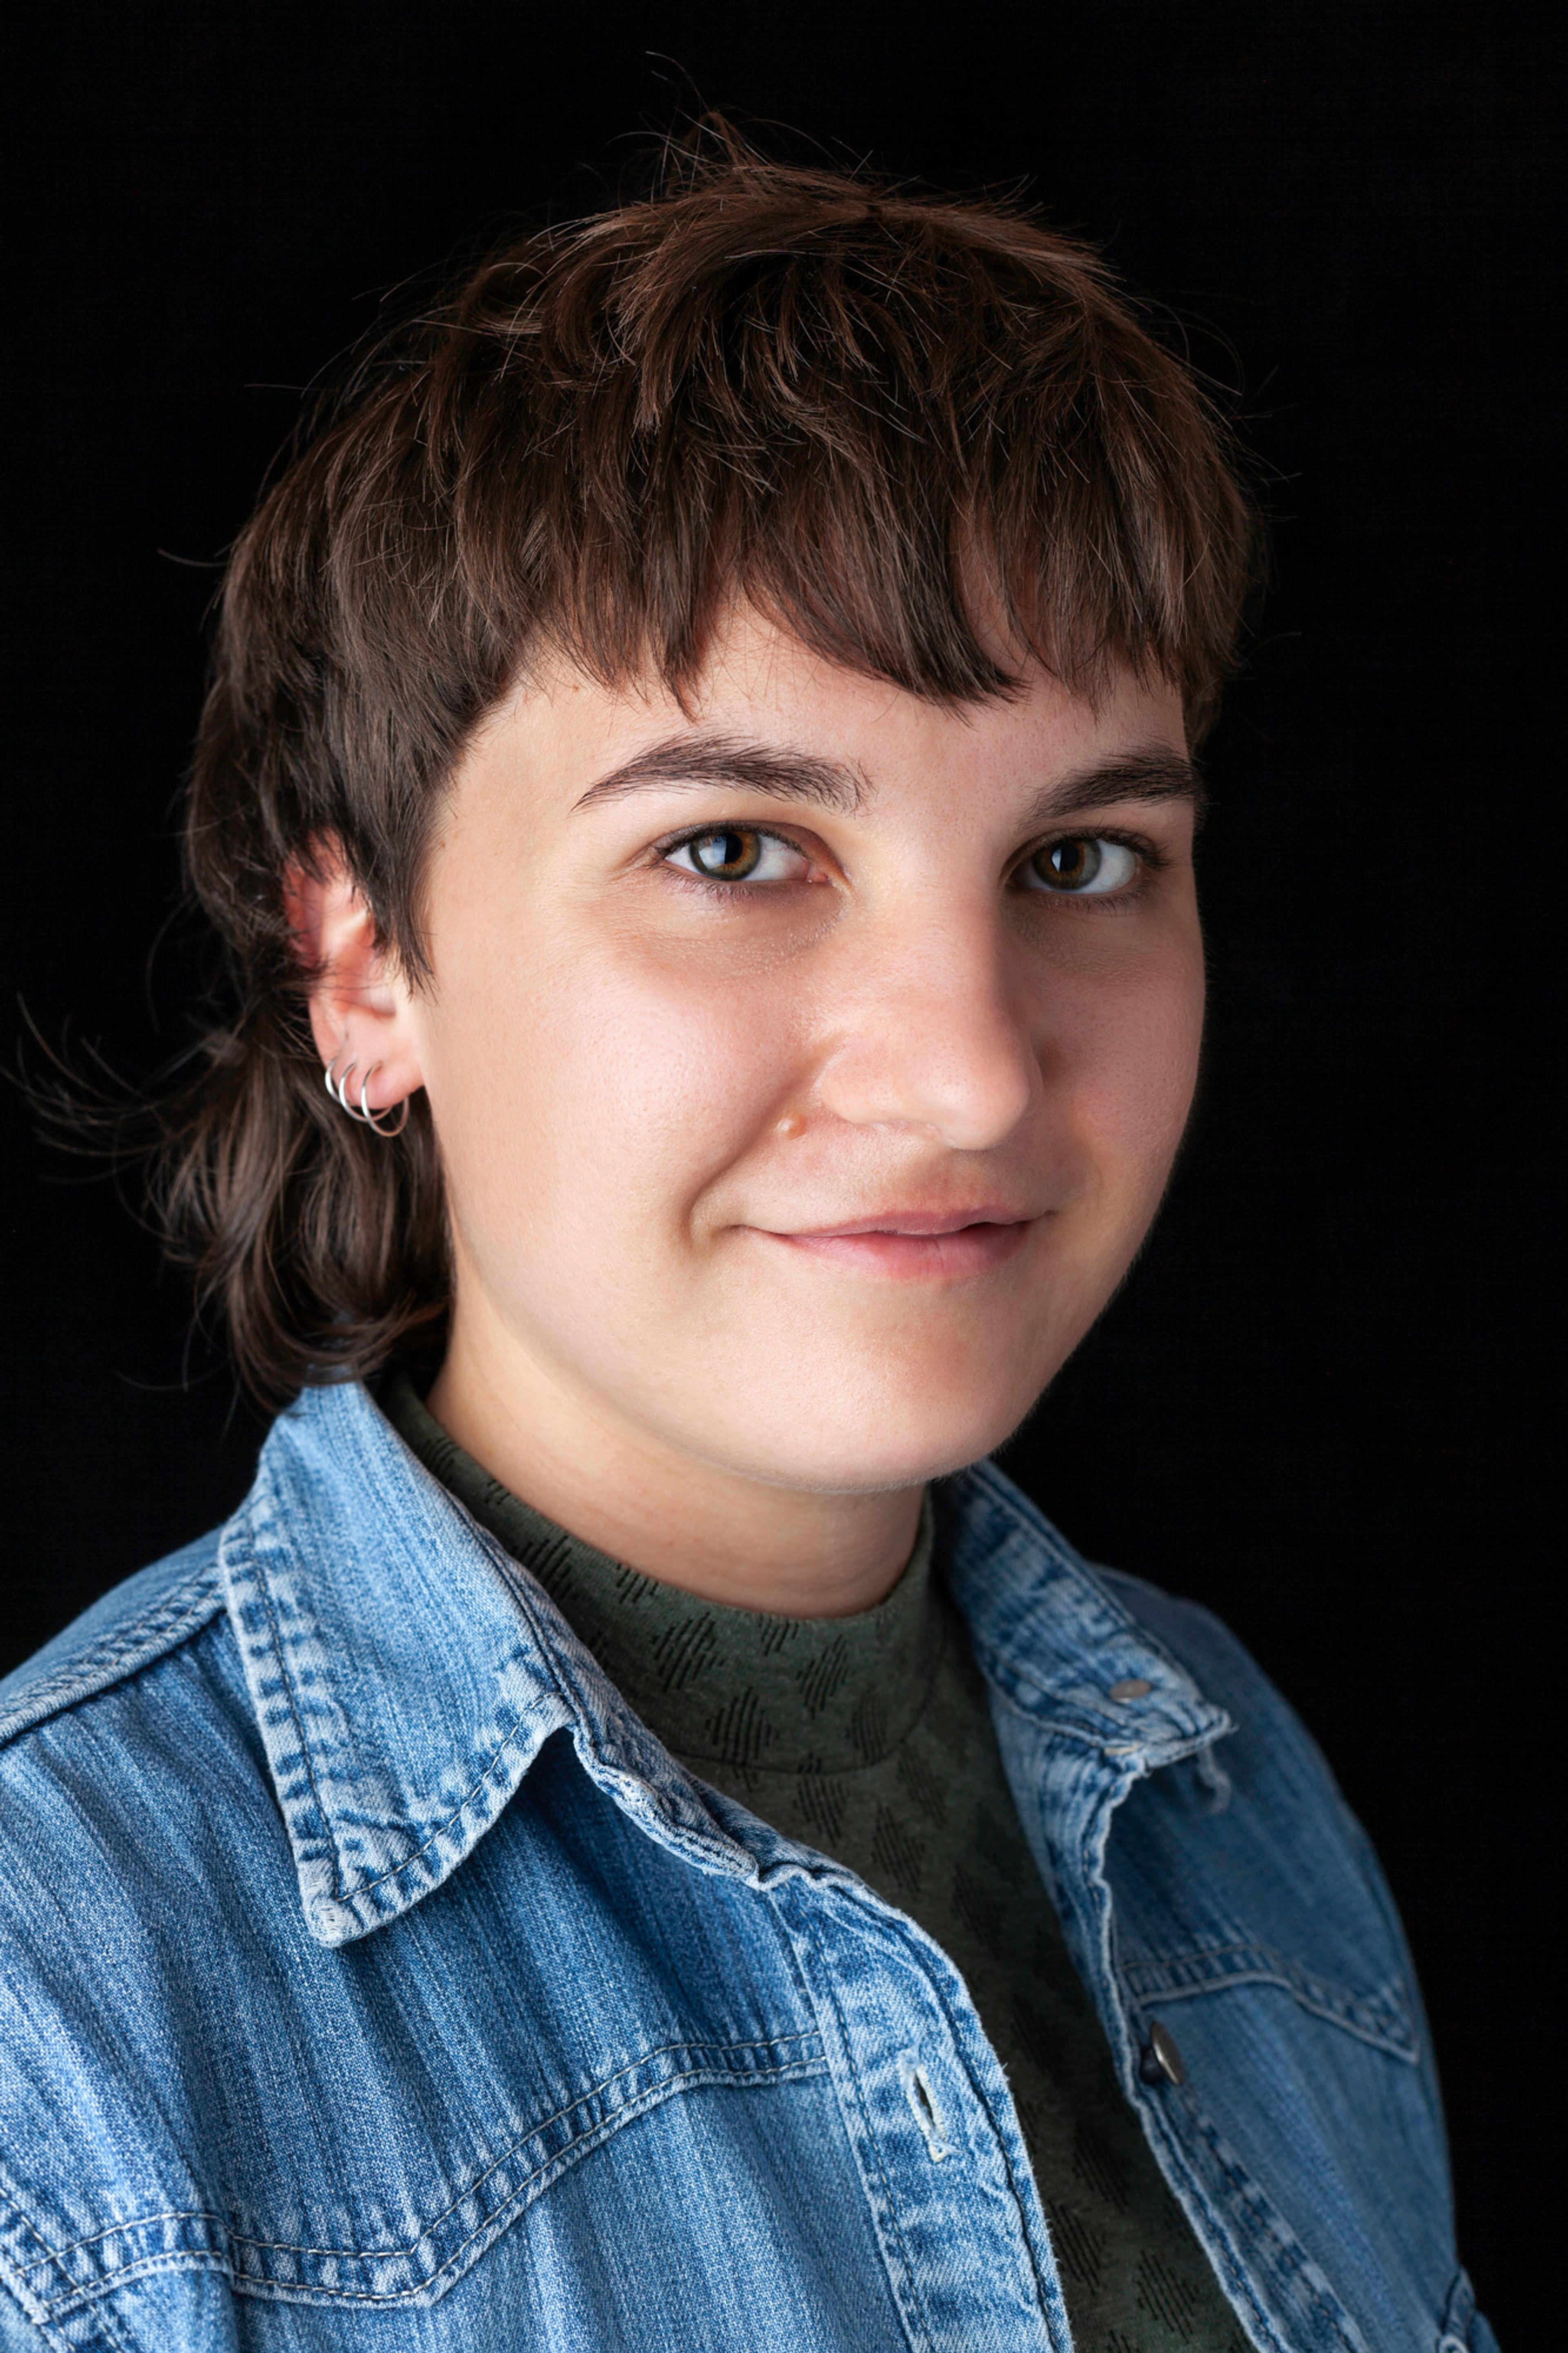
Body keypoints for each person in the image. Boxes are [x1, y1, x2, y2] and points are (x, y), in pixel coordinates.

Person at [0, 140, 1496, 2353]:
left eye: (1081, 858)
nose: (975, 1071)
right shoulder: (52, 2002)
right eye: (736, 845)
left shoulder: (1238, 1791)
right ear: (361, 957)